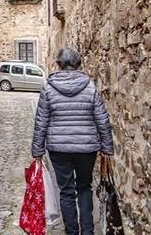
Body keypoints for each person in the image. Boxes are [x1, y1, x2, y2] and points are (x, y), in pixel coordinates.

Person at [31, 48, 114, 235]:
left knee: (66, 191)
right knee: (84, 188)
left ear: (59, 65)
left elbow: (41, 121)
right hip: (87, 148)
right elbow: (102, 120)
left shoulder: (48, 88)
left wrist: (37, 152)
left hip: (59, 149)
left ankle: (71, 231)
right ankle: (88, 231)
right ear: (79, 65)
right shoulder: (91, 87)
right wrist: (107, 149)